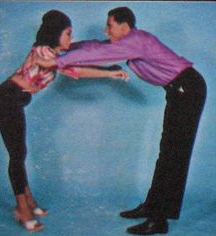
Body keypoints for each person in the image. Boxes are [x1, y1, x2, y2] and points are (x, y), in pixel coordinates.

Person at [34, 6, 207, 235]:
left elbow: (100, 55)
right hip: (179, 90)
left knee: (175, 154)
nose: (106, 31)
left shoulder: (135, 41)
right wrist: (64, 48)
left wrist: (56, 62)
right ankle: (152, 207)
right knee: (167, 151)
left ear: (124, 27)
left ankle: (159, 220)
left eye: (110, 26)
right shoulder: (127, 41)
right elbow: (96, 46)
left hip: (188, 90)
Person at [0, 9, 128, 232]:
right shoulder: (43, 53)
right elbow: (76, 68)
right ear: (55, 34)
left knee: (19, 152)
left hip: (16, 100)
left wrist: (109, 68)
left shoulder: (55, 53)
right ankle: (21, 209)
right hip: (5, 100)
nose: (70, 39)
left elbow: (79, 57)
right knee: (17, 154)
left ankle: (29, 201)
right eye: (68, 34)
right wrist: (108, 72)